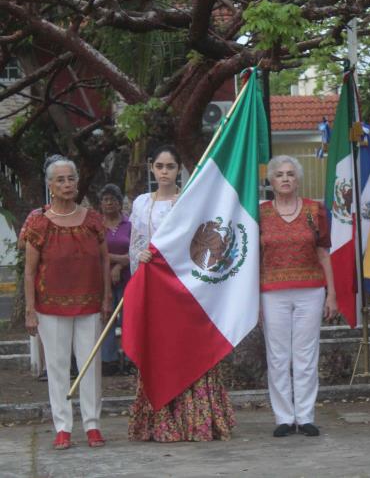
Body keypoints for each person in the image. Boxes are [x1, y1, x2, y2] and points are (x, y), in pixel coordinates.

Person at [127, 145, 235, 442]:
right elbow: (135, 245)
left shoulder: (189, 201)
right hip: (154, 291)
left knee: (188, 350)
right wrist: (140, 258)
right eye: (160, 166)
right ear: (151, 167)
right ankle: (160, 421)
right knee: (159, 350)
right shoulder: (140, 204)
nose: (164, 172)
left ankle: (196, 420)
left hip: (185, 291)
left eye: (170, 167)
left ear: (179, 170)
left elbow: (198, 247)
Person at [23, 155, 112, 450]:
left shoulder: (93, 219)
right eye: (60, 180)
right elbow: (29, 270)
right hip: (50, 308)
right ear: (50, 185)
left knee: (90, 367)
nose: (66, 184)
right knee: (58, 367)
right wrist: (30, 311)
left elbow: (103, 259)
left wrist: (107, 296)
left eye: (70, 178)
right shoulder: (39, 222)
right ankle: (62, 427)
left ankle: (92, 425)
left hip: (89, 305)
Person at [259, 155, 338, 438]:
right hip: (271, 292)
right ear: (271, 180)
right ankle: (283, 416)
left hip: (311, 290)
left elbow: (323, 252)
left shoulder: (314, 211)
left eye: (290, 174)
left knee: (306, 355)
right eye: (279, 174)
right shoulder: (259, 213)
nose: (285, 179)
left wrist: (332, 294)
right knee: (278, 356)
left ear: (298, 178)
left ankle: (305, 416)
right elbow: (254, 256)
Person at [99, 184, 131, 376]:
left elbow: (135, 250)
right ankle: (108, 360)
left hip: (127, 278)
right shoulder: (96, 225)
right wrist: (115, 261)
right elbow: (95, 251)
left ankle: (129, 360)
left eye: (113, 199)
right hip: (103, 280)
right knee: (107, 318)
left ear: (120, 203)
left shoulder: (130, 225)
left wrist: (119, 266)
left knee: (128, 319)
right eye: (105, 199)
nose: (109, 203)